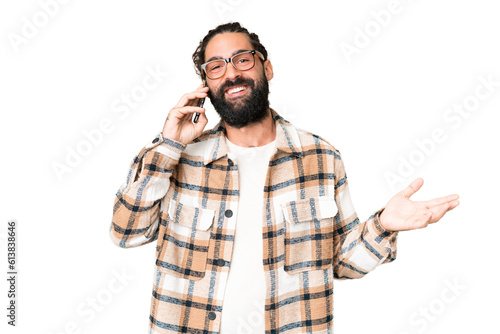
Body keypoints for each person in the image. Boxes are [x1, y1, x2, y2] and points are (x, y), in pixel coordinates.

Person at [110, 22, 459, 333]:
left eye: (242, 59)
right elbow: (126, 233)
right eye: (216, 67)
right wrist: (170, 145)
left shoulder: (321, 158)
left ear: (267, 67)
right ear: (206, 86)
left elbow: (343, 264)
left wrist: (385, 225)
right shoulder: (176, 158)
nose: (231, 74)